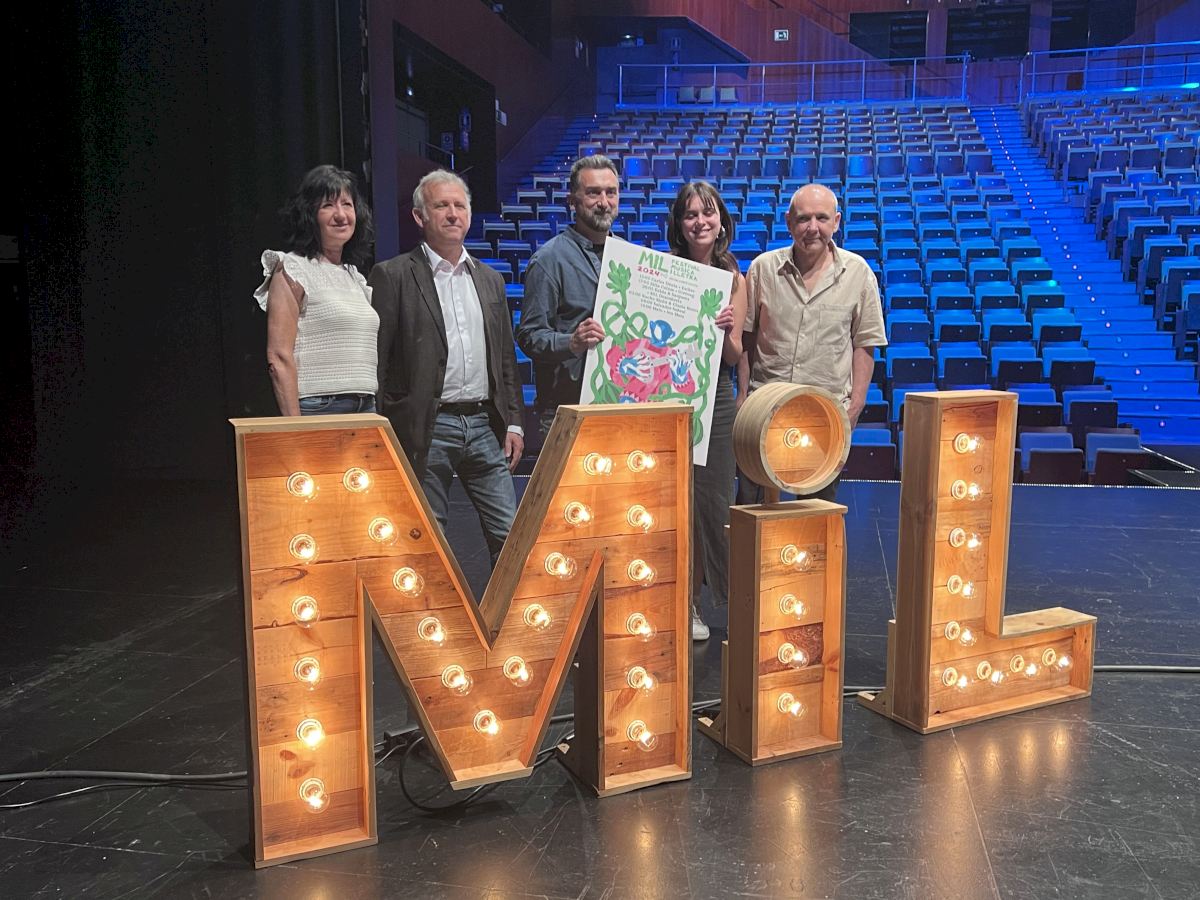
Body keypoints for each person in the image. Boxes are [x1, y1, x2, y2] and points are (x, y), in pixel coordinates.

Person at [368, 170, 524, 566]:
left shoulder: (490, 279)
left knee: (512, 537)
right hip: (427, 426)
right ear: (419, 216)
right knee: (429, 542)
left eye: (460, 205)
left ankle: (505, 610)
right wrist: (380, 429)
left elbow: (505, 357)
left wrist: (515, 423)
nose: (453, 214)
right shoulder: (393, 275)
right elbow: (378, 360)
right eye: (442, 206)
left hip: (484, 425)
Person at [739, 183, 886, 502]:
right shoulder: (763, 268)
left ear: (837, 221)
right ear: (789, 221)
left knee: (815, 514)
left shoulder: (859, 273)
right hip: (764, 412)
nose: (812, 227)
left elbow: (865, 344)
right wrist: (742, 397)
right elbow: (747, 339)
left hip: (826, 415)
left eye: (822, 218)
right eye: (803, 218)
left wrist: (855, 407)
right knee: (753, 511)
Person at [666, 181, 747, 641]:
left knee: (714, 505)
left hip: (715, 400)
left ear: (721, 220)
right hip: (668, 397)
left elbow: (734, 356)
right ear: (679, 224)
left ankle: (726, 601)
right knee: (675, 507)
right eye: (691, 214)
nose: (700, 222)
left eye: (708, 212)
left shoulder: (735, 277)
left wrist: (727, 330)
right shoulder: (664, 271)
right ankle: (683, 603)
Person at [256, 164, 378, 415]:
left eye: (347, 204)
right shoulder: (292, 268)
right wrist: (296, 429)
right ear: (309, 215)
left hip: (366, 406)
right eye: (328, 205)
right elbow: (279, 356)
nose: (341, 215)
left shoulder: (354, 277)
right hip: (320, 407)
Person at [516, 154, 618, 434]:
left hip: (619, 406)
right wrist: (570, 342)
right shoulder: (548, 259)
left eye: (610, 192)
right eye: (593, 193)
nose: (604, 202)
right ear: (572, 200)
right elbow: (529, 336)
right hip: (566, 413)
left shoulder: (629, 257)